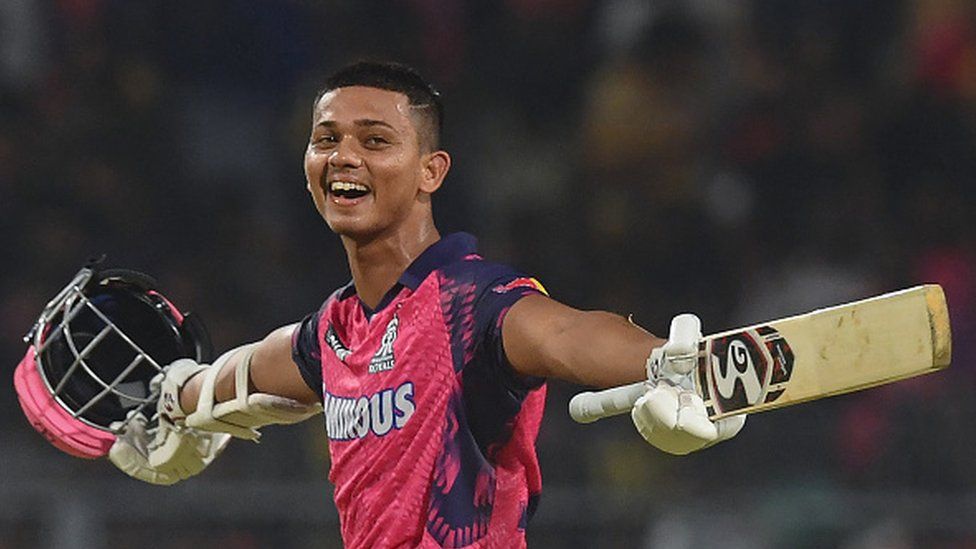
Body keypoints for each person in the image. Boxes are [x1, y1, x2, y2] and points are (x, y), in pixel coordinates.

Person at [107, 61, 745, 548]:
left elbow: (564, 335)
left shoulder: (472, 301)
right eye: (325, 138)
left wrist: (664, 361)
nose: (343, 156)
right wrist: (175, 399)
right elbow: (246, 375)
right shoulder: (333, 329)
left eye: (375, 140)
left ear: (430, 171)